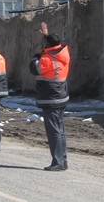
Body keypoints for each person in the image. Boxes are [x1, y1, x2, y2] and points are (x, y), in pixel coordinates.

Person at [29, 22, 71, 171]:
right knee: (60, 129)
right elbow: (53, 44)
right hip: (61, 96)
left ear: (47, 45)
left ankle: (58, 162)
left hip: (51, 98)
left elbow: (34, 68)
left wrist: (36, 54)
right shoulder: (62, 53)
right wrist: (46, 35)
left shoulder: (47, 59)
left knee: (54, 131)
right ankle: (62, 160)